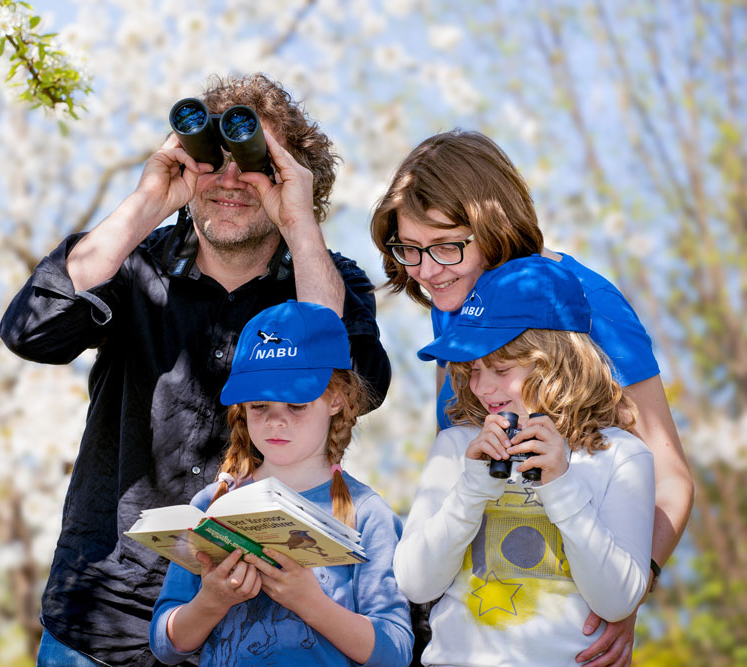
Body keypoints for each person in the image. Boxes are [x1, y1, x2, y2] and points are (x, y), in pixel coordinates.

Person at [0, 73, 391, 666]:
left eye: (254, 161)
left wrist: (298, 223)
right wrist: (147, 204)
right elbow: (31, 330)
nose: (230, 177)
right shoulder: (132, 267)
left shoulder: (328, 279)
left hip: (254, 631)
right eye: (214, 158)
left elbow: (355, 381)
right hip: (100, 620)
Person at [369, 129, 692, 665]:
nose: (425, 271)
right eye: (409, 250)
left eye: (446, 246)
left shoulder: (587, 309)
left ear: (494, 228)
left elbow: (672, 478)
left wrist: (630, 590)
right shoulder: (451, 302)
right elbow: (456, 442)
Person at [393, 255, 655, 666]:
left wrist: (561, 487)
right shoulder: (456, 446)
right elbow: (415, 583)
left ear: (557, 361)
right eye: (472, 369)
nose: (481, 387)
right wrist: (471, 488)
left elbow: (618, 600)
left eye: (500, 368)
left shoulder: (620, 456)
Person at [149, 300, 413, 665]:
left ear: (336, 399)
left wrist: (310, 602)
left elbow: (395, 652)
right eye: (259, 406)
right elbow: (165, 644)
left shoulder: (367, 513)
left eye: (296, 405)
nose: (275, 422)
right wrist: (212, 602)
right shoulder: (212, 504)